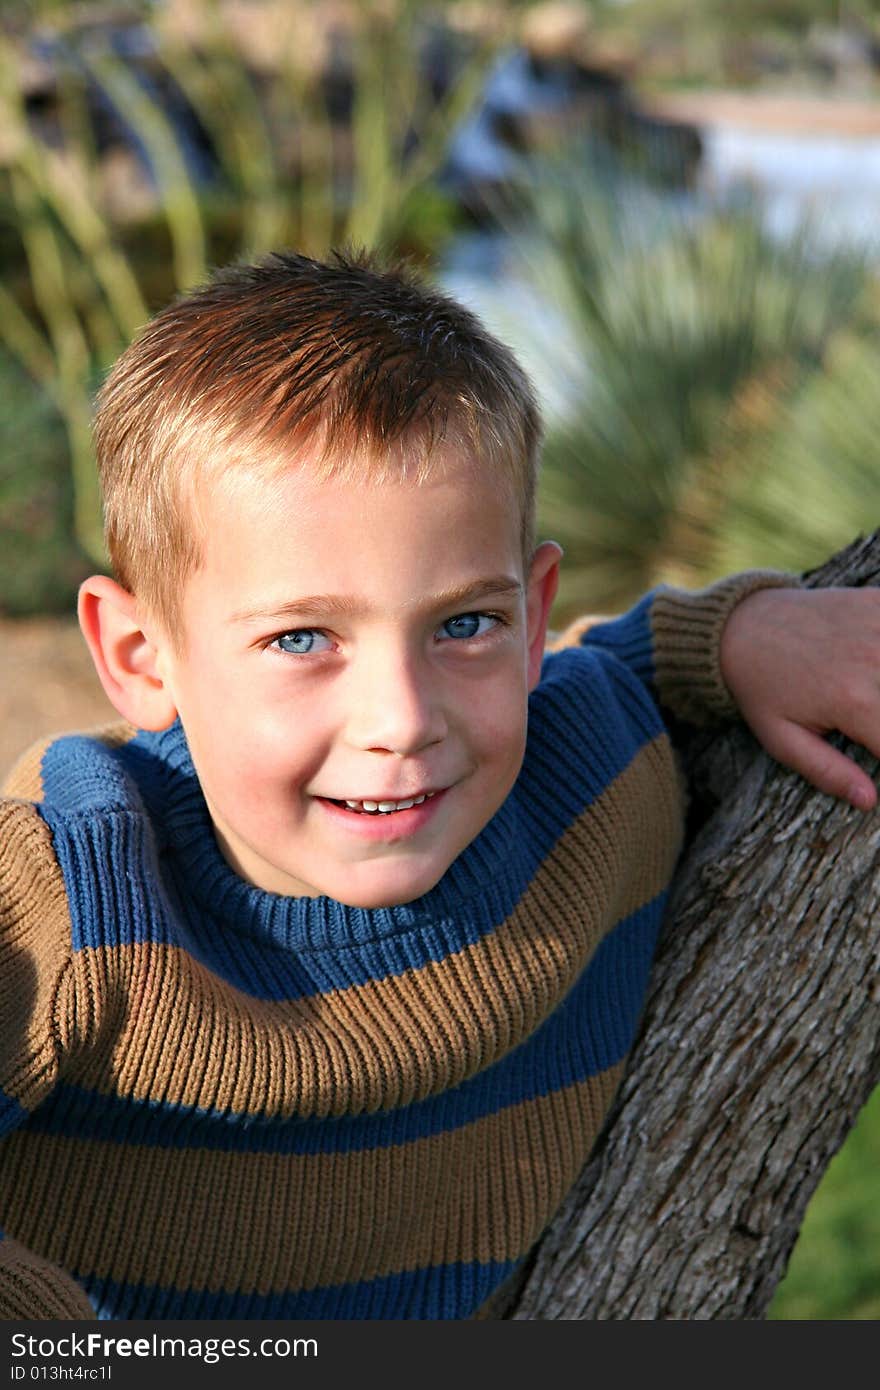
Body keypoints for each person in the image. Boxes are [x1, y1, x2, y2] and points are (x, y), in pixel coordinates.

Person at [2, 249, 880, 1322]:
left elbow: (604, 668)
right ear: (140, 656)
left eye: (463, 624)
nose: (404, 718)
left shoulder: (588, 770)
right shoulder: (74, 895)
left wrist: (737, 632)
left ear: (528, 613)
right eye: (301, 638)